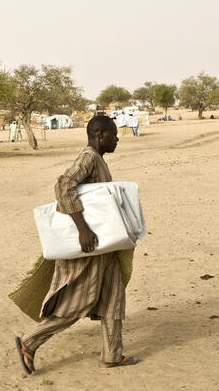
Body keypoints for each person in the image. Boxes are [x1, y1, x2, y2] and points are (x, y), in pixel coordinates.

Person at [11, 115, 138, 374]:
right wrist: (82, 229)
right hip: (90, 247)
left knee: (114, 296)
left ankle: (112, 354)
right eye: (114, 135)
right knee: (78, 302)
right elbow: (64, 185)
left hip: (104, 247)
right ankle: (30, 341)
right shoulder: (89, 157)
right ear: (100, 134)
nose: (117, 140)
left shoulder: (98, 159)